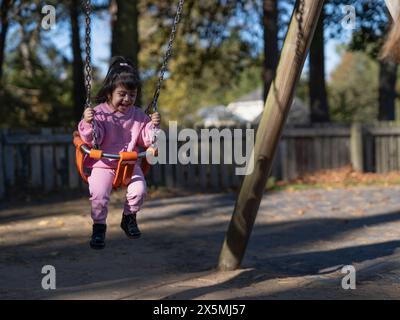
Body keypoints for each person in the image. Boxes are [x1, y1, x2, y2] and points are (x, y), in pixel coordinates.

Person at [78, 56, 160, 250]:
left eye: (132, 95)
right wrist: (89, 122)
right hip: (103, 164)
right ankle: (99, 227)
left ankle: (129, 218)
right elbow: (90, 139)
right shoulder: (99, 113)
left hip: (130, 164)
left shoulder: (139, 116)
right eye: (122, 94)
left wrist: (153, 126)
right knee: (98, 194)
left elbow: (146, 141)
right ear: (109, 93)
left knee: (139, 191)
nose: (127, 99)